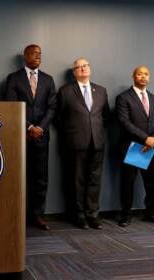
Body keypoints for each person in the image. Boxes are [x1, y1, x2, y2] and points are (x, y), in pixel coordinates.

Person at [5, 44, 56, 230]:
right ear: (25, 56)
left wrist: (40, 127)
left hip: (42, 136)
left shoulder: (48, 80)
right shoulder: (14, 78)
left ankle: (38, 216)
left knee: (41, 178)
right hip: (21, 135)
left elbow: (52, 108)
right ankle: (17, 215)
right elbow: (11, 105)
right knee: (18, 177)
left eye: (40, 54)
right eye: (34, 53)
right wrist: (29, 127)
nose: (38, 56)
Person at [57, 58, 109, 230]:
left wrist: (97, 131)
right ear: (74, 72)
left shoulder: (101, 90)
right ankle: (79, 215)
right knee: (77, 180)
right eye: (78, 67)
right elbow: (59, 118)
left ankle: (92, 214)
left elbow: (106, 116)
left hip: (98, 142)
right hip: (75, 142)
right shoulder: (65, 91)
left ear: (90, 68)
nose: (82, 69)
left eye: (85, 65)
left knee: (95, 180)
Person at [116, 65, 154, 227]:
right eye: (140, 74)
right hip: (133, 146)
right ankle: (126, 215)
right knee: (128, 183)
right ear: (133, 76)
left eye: (146, 74)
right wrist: (146, 139)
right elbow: (124, 122)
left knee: (152, 183)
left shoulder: (153, 97)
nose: (143, 77)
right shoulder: (124, 98)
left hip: (151, 146)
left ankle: (150, 213)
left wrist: (152, 140)